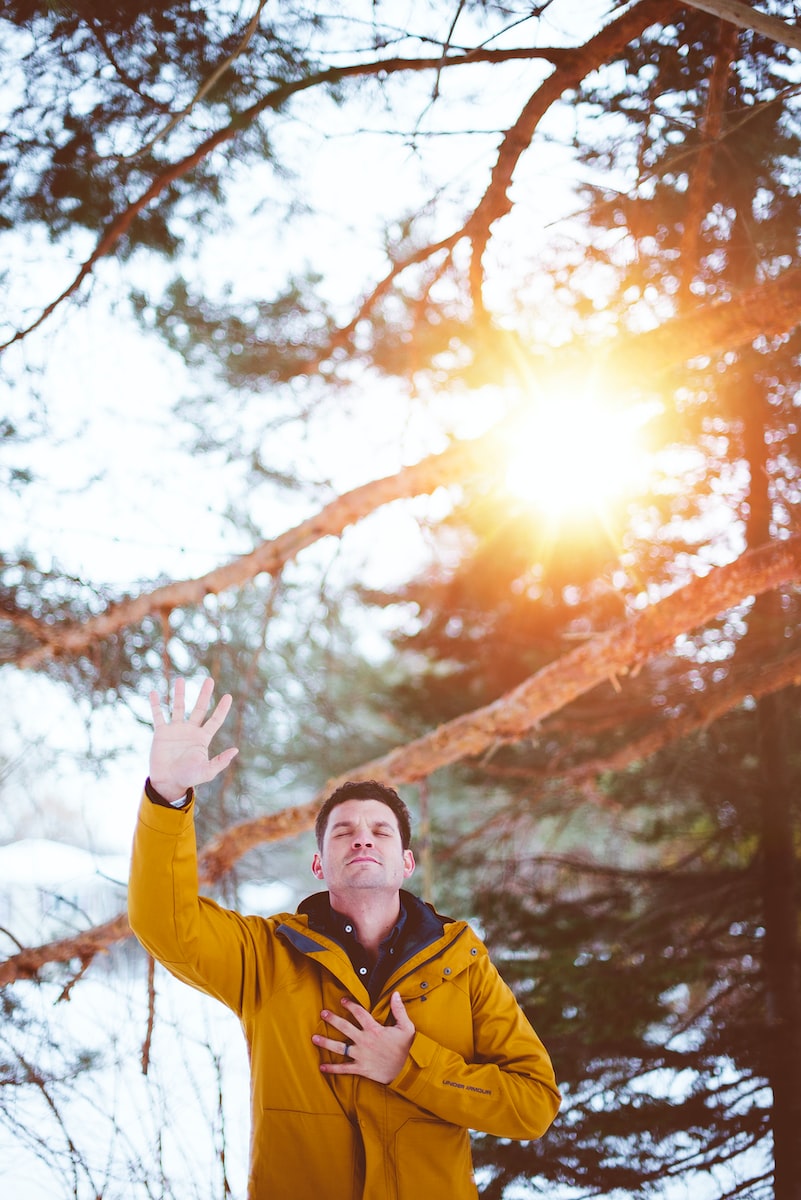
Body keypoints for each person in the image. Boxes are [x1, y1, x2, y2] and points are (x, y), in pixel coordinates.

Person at [128, 677, 560, 1200]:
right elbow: (164, 923)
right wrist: (167, 796)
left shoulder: (462, 963)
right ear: (319, 864)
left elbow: (533, 1104)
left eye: (381, 831)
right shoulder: (267, 956)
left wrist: (411, 1067)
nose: (362, 837)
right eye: (343, 831)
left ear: (406, 863)